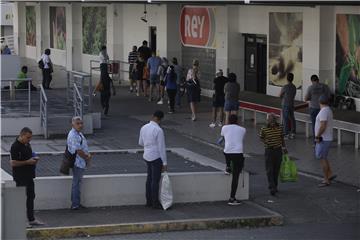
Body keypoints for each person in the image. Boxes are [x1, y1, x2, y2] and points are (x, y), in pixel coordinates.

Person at [10, 127, 44, 226]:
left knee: (31, 197)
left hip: (29, 176)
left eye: (30, 138)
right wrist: (27, 162)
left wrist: (34, 158)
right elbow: (13, 163)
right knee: (21, 199)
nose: (29, 140)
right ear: (22, 135)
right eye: (28, 137)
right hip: (20, 177)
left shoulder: (27, 144)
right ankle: (21, 220)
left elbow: (29, 154)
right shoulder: (15, 146)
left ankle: (31, 219)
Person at [138, 110, 168, 209]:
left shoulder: (144, 127)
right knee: (155, 181)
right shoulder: (158, 130)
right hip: (156, 157)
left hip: (146, 155)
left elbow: (140, 143)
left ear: (153, 116)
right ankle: (155, 203)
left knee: (149, 179)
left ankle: (148, 201)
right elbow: (161, 147)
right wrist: (164, 162)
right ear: (160, 119)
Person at [220, 114, 246, 205]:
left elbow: (223, 137)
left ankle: (228, 166)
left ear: (228, 120)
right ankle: (232, 198)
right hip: (238, 153)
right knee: (235, 176)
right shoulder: (243, 129)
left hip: (227, 153)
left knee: (226, 152)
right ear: (237, 121)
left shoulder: (224, 128)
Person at [67, 116, 92, 210]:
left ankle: (76, 203)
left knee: (77, 183)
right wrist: (87, 157)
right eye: (78, 123)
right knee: (76, 183)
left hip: (79, 162)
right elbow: (78, 150)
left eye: (81, 123)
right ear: (72, 124)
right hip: (78, 162)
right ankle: (75, 205)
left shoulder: (78, 133)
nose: (80, 125)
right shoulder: (73, 135)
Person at [259, 113, 287, 196]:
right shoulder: (264, 128)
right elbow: (261, 137)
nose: (271, 122)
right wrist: (266, 142)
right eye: (270, 120)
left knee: (276, 169)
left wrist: (284, 147)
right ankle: (272, 187)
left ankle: (274, 185)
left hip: (278, 150)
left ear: (275, 120)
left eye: (272, 120)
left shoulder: (280, 127)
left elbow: (282, 138)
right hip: (269, 150)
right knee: (269, 170)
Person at [315, 95, 336, 187]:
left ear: (319, 102)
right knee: (324, 157)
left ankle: (326, 179)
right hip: (326, 138)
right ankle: (330, 174)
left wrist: (317, 136)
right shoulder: (328, 110)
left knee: (322, 158)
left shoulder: (324, 111)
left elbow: (323, 125)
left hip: (323, 139)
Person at [305, 74, 331, 141]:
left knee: (315, 125)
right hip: (323, 109)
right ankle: (324, 139)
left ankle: (316, 141)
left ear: (311, 81)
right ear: (318, 80)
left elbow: (306, 98)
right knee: (324, 125)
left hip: (313, 108)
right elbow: (329, 96)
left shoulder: (310, 88)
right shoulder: (325, 87)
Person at [279, 73, 297, 139]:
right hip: (291, 104)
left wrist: (283, 97)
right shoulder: (294, 87)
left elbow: (280, 95)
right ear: (293, 78)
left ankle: (286, 133)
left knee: (285, 119)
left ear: (287, 79)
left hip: (285, 104)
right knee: (292, 118)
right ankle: (293, 133)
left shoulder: (285, 87)